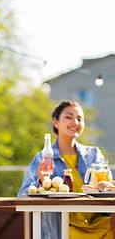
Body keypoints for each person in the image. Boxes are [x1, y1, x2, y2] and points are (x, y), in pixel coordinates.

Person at [18, 100, 114, 239]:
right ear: (56, 122)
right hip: (62, 228)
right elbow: (22, 195)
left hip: (100, 225)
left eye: (79, 119)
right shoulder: (43, 158)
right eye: (69, 117)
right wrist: (41, 180)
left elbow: (109, 190)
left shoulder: (94, 154)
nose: (75, 121)